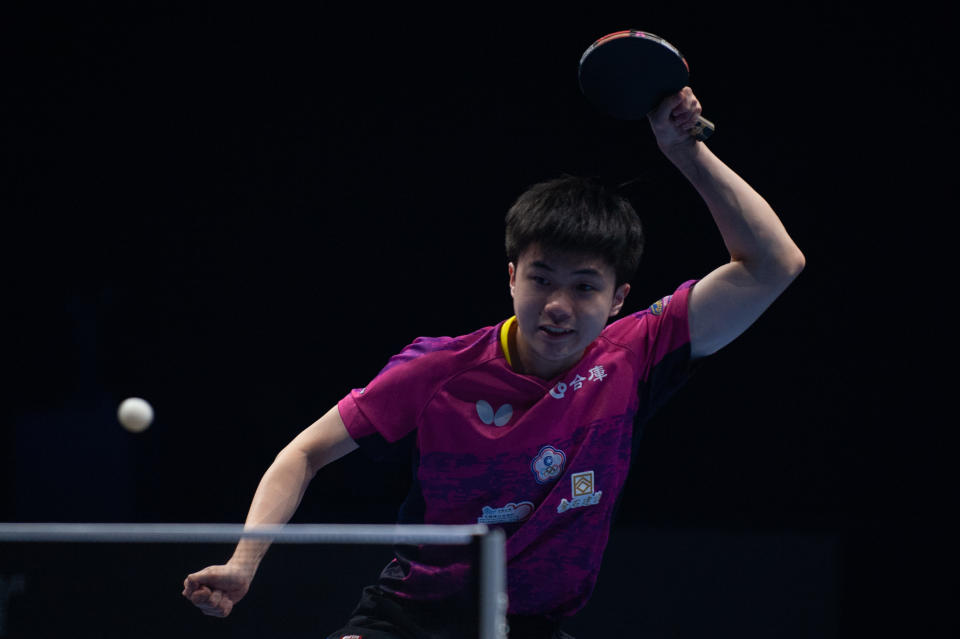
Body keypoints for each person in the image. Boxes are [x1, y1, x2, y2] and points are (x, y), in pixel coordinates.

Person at [182, 88, 805, 638]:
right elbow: (304, 452)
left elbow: (775, 265)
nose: (558, 306)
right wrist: (244, 562)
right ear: (511, 278)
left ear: (619, 300)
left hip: (534, 626)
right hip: (410, 619)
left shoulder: (638, 353)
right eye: (541, 279)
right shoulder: (438, 371)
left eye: (585, 287)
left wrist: (685, 153)